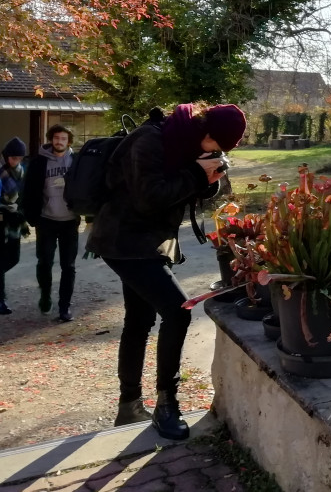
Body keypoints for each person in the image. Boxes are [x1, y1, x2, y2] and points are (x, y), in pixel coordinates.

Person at [85, 103, 246, 439]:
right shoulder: (149, 140)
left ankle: (128, 406)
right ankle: (166, 404)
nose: (215, 152)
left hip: (147, 242)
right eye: (215, 146)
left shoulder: (184, 143)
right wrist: (196, 174)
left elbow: (187, 189)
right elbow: (150, 197)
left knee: (139, 320)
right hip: (124, 241)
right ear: (205, 133)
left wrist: (210, 178)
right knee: (179, 311)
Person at [23, 124, 80, 322]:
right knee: (45, 262)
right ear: (51, 139)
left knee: (69, 266)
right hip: (46, 220)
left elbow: (87, 186)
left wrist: (89, 215)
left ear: (69, 141)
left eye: (63, 138)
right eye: (56, 138)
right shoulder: (39, 163)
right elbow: (28, 189)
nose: (59, 141)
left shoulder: (76, 161)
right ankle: (45, 296)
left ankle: (65, 307)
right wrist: (31, 217)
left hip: (70, 221)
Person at [0, 137, 29, 315]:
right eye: (12, 158)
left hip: (15, 221)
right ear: (6, 156)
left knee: (13, 258)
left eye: (18, 158)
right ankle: (1, 299)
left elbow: (24, 196)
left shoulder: (22, 172)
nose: (15, 161)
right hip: (2, 219)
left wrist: (22, 213)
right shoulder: (0, 172)